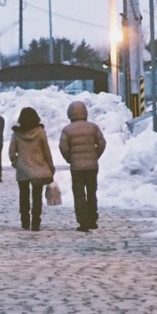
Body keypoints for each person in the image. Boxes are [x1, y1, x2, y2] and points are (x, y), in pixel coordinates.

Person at [58, 99, 107, 231]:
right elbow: (102, 143)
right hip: (92, 167)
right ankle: (93, 219)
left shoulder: (67, 130)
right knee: (92, 192)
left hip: (76, 168)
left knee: (79, 194)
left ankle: (83, 221)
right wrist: (95, 155)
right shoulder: (93, 127)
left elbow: (63, 147)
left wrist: (70, 158)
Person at [9, 107, 55, 231]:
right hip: (38, 169)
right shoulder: (40, 132)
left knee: (23, 195)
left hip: (22, 169)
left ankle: (24, 220)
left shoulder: (17, 133)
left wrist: (16, 163)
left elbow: (12, 151)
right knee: (37, 196)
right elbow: (46, 151)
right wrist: (51, 166)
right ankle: (36, 222)